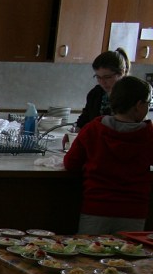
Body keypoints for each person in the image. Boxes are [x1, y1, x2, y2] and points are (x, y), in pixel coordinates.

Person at [64, 75, 153, 235]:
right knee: (126, 257)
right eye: (149, 104)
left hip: (96, 207)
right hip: (133, 210)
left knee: (88, 254)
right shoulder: (149, 134)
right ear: (139, 105)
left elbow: (71, 163)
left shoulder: (93, 129)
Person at [76, 48, 130, 129]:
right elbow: (85, 120)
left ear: (121, 72)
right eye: (98, 77)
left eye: (107, 77)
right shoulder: (95, 93)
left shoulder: (132, 95)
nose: (102, 82)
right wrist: (75, 130)